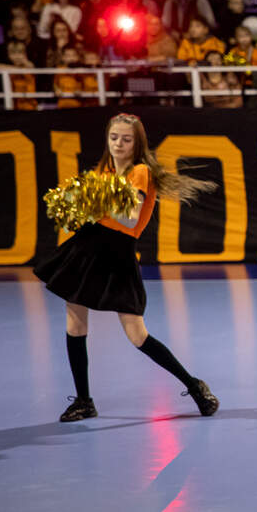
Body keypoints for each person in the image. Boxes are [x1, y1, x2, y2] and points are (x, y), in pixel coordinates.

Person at [33, 113, 220, 422]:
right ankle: (83, 401)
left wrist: (95, 200)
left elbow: (130, 219)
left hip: (117, 255)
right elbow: (89, 217)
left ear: (137, 144)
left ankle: (194, 385)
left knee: (137, 334)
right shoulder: (104, 172)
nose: (118, 144)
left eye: (126, 139)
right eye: (114, 137)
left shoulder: (140, 172)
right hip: (86, 249)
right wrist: (74, 208)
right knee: (75, 324)